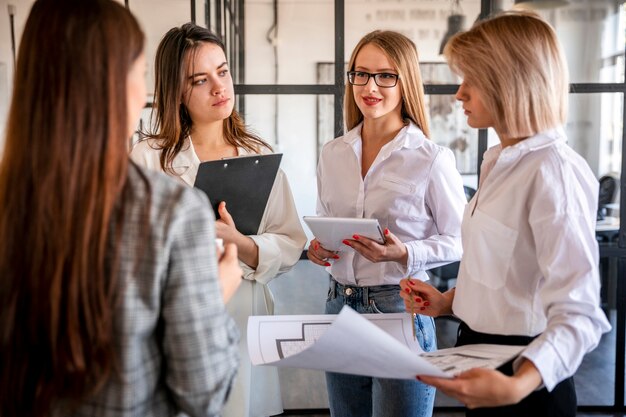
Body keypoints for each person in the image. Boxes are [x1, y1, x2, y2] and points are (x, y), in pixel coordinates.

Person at [0, 1, 243, 417]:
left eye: (221, 72)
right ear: (121, 84)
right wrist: (213, 297)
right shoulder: (170, 210)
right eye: (140, 73)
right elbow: (201, 393)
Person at [400, 10, 612, 416]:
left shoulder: (554, 171)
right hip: (478, 358)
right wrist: (447, 304)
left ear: (510, 81)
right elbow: (512, 277)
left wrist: (519, 385)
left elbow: (580, 314)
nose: (459, 94)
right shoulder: (498, 161)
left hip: (525, 382)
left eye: (471, 80)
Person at [130, 23, 307, 417]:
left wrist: (239, 242)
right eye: (200, 79)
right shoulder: (147, 159)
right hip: (172, 312)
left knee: (245, 405)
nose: (218, 87)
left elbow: (291, 242)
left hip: (245, 310)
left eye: (222, 72)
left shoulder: (258, 154)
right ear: (176, 91)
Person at [307, 30, 466, 417]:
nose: (370, 86)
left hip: (400, 306)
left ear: (405, 81)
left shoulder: (430, 157)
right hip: (339, 305)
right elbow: (326, 221)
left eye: (385, 76)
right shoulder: (333, 153)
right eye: (361, 74)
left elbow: (462, 239)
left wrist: (406, 253)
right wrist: (317, 248)